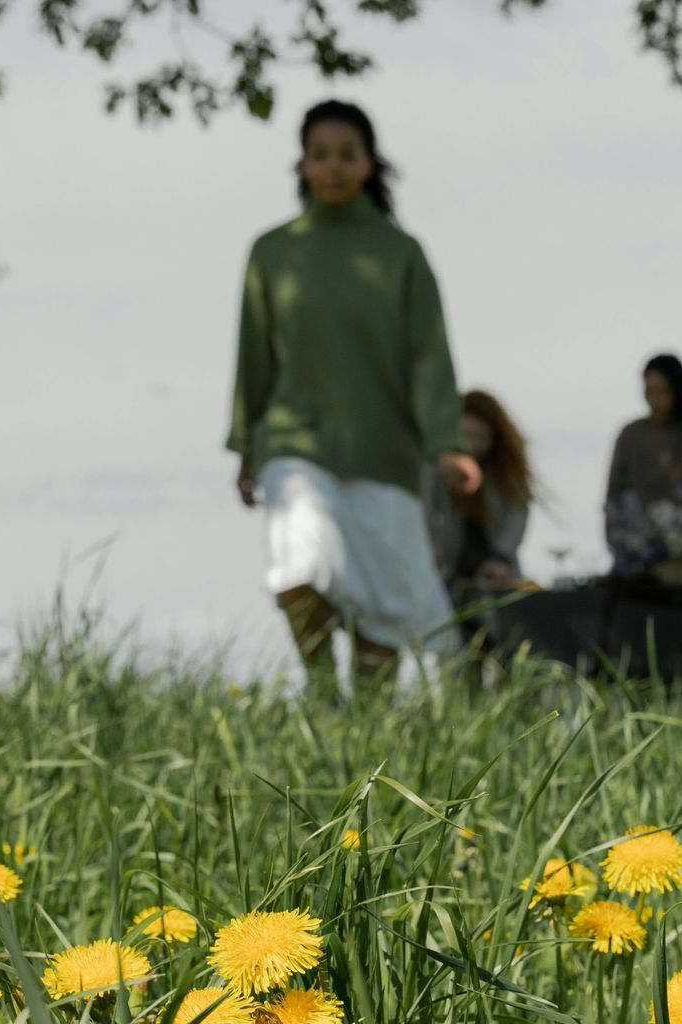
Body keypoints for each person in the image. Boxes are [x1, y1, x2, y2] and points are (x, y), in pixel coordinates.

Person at [228, 100, 481, 688]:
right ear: (302, 164)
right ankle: (321, 690)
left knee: (382, 598)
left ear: (370, 165)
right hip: (293, 440)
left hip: (383, 449)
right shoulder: (272, 252)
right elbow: (253, 355)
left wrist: (448, 443)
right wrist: (246, 444)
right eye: (320, 155)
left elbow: (429, 355)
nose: (333, 167)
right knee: (299, 565)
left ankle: (365, 732)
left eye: (347, 155)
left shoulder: (400, 255)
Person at [603, 354, 682, 582]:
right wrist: (622, 545)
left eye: (662, 392)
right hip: (643, 565)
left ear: (678, 390)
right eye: (649, 392)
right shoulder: (631, 435)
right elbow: (613, 497)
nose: (655, 400)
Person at [423, 389, 535, 602]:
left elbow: (517, 517)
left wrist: (500, 557)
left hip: (496, 574)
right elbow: (425, 507)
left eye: (480, 437)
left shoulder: (507, 472)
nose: (472, 445)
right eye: (466, 435)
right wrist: (428, 544)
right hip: (446, 573)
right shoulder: (435, 466)